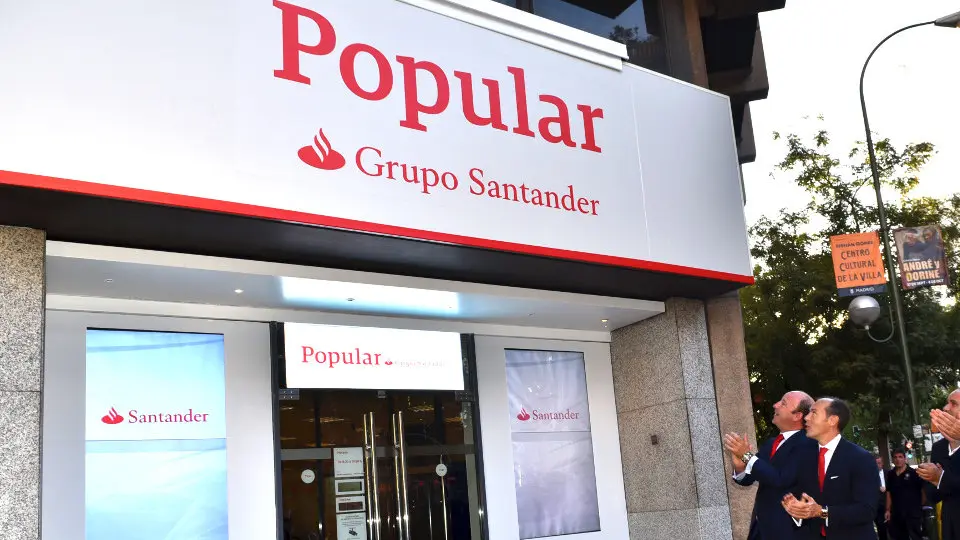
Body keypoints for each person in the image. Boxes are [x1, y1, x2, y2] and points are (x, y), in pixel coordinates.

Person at [781, 397, 880, 539]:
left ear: (832, 420)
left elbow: (867, 510)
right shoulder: (804, 458)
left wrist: (822, 512)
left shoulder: (861, 458)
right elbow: (804, 502)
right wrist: (797, 510)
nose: (806, 418)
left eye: (814, 413)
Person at [724, 390, 816, 540]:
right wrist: (740, 466)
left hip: (788, 532)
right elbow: (748, 479)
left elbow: (781, 479)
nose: (775, 405)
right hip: (759, 530)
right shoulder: (771, 443)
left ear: (797, 416)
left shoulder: (808, 444)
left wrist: (747, 456)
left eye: (783, 403)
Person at [918, 390, 960, 539]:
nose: (946, 408)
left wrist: (941, 478)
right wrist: (933, 479)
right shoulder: (938, 447)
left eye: (953, 404)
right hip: (949, 527)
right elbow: (932, 495)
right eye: (947, 403)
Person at [886, 448, 924, 540]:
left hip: (912, 514)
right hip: (896, 514)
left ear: (905, 459)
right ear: (893, 459)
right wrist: (887, 510)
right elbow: (888, 493)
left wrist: (919, 507)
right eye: (895, 457)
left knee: (916, 537)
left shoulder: (914, 473)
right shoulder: (890, 474)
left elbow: (923, 492)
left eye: (900, 457)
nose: (898, 459)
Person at [874, 454, 888, 540]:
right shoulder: (870, 476)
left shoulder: (888, 473)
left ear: (882, 463)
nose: (877, 465)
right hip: (877, 506)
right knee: (881, 528)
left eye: (879, 463)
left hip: (888, 504)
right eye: (876, 463)